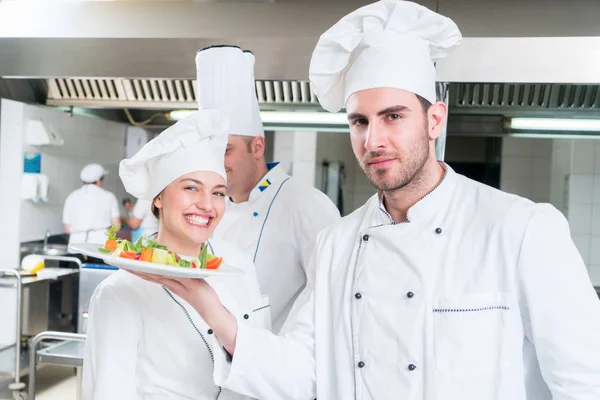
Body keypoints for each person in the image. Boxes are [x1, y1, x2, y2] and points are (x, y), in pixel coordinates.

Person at [140, 2, 600, 399]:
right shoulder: (337, 243)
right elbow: (302, 373)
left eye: (393, 116)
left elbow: (585, 381)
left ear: (434, 119)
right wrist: (206, 302)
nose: (373, 139)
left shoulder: (521, 229)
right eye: (359, 121)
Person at [82, 110, 271, 400]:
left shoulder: (239, 264)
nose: (207, 205)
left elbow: (265, 368)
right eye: (191, 188)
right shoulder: (119, 293)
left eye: (218, 193)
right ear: (158, 196)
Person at [196, 45, 341, 332]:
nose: (214, 162)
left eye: (225, 150)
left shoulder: (306, 205)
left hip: (277, 367)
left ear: (257, 147)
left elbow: (333, 297)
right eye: (208, 149)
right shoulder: (211, 210)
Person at [63, 163, 120, 246]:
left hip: (76, 246)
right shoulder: (109, 196)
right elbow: (116, 226)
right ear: (99, 181)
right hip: (101, 245)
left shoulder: (71, 197)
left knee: (77, 259)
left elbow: (67, 229)